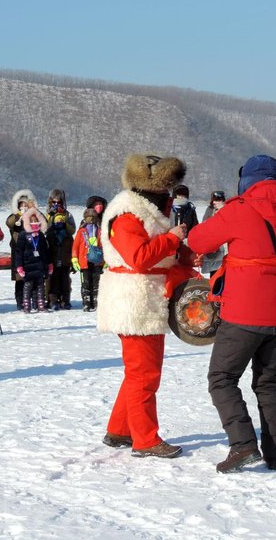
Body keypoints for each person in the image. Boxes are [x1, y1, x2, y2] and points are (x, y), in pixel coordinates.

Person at [187, 154, 276, 473]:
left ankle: (242, 445)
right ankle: (275, 453)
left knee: (222, 378)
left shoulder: (239, 208)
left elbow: (198, 240)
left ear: (247, 180)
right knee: (268, 382)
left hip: (243, 310)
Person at [98, 154, 197, 459]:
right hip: (135, 302)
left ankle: (120, 429)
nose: (169, 195)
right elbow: (139, 257)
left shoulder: (139, 211)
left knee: (137, 372)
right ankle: (145, 439)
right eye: (166, 188)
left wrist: (180, 252)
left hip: (143, 300)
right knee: (144, 375)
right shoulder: (127, 215)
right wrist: (172, 239)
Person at [14, 207, 52, 313]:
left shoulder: (41, 235)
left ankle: (41, 305)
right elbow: (18, 252)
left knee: (40, 286)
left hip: (39, 265)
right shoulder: (23, 235)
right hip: (28, 266)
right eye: (32, 221)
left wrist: (49, 264)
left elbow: (45, 251)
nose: (34, 223)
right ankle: (26, 306)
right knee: (28, 286)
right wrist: (19, 266)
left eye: (36, 220)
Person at [45, 189, 76, 310]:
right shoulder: (47, 215)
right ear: (50, 202)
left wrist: (64, 223)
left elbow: (72, 230)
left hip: (65, 248)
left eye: (59, 202)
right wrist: (52, 221)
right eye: (54, 202)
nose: (56, 204)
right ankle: (52, 300)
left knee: (65, 277)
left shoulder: (68, 215)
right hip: (52, 248)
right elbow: (44, 229)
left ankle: (65, 300)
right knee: (52, 277)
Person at [6, 189, 37, 310]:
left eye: (26, 205)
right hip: (18, 251)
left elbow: (43, 223)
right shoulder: (14, 217)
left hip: (31, 250)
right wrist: (19, 214)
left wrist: (33, 211)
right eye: (21, 205)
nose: (24, 207)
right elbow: (9, 223)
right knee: (19, 278)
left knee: (32, 277)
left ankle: (33, 301)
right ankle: (20, 301)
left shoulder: (34, 217)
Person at [72, 207, 105, 311]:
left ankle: (96, 302)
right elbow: (75, 246)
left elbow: (104, 246)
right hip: (84, 262)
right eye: (88, 217)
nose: (90, 220)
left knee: (97, 283)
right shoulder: (81, 231)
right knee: (85, 283)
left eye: (92, 217)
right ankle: (86, 303)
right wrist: (74, 259)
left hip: (97, 262)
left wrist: (106, 260)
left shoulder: (99, 231)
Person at [200, 190, 227, 277]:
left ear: (222, 200)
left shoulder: (228, 209)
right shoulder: (210, 209)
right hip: (214, 246)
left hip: (225, 245)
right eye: (214, 200)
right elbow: (204, 225)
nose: (215, 202)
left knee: (224, 271)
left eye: (217, 200)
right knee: (214, 272)